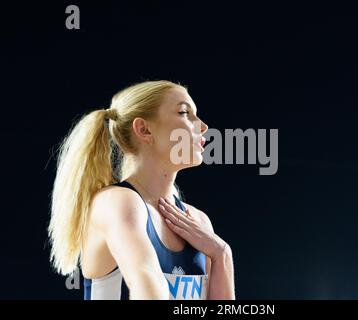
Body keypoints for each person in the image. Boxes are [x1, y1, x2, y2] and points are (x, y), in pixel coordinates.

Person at [48, 80, 235, 300]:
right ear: (144, 129)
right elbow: (146, 285)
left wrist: (222, 254)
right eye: (185, 113)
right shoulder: (117, 202)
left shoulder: (199, 221)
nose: (202, 126)